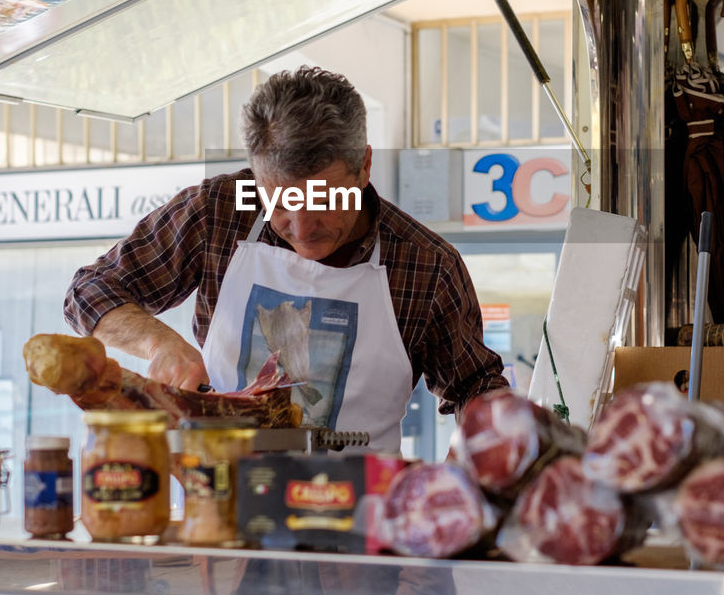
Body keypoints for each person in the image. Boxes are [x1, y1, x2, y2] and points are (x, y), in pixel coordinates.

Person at [63, 66, 508, 451]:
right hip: (221, 508)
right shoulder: (223, 208)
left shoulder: (425, 264)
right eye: (278, 201)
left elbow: (477, 389)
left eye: (325, 199)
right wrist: (159, 343)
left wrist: (470, 467)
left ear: (365, 166)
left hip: (362, 523)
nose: (301, 226)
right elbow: (89, 292)